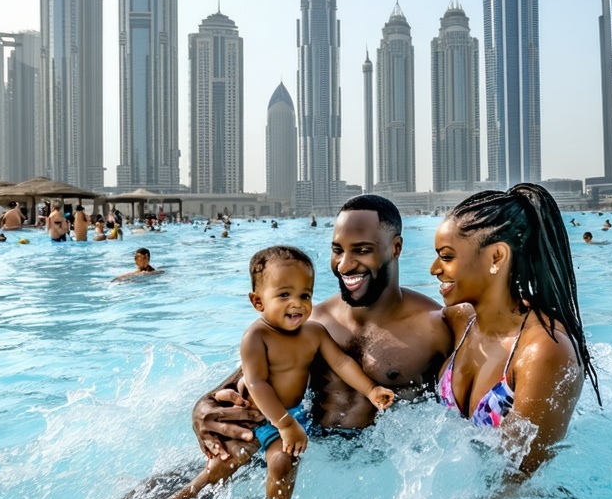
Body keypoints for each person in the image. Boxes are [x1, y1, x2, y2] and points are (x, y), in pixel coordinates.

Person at [179, 195, 450, 470]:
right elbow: (249, 377)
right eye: (337, 250)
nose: (344, 265)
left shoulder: (433, 328)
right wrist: (201, 408)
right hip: (299, 449)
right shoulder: (311, 320)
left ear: (396, 247)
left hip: (381, 470)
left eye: (362, 250)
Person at [161, 246, 395, 499]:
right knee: (218, 471)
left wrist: (371, 389)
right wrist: (284, 424)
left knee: (284, 463)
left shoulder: (314, 333)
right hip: (257, 417)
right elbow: (256, 382)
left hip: (292, 415)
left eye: (305, 295)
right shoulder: (256, 337)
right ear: (258, 302)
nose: (297, 303)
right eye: (284, 294)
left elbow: (341, 362)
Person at [431, 184, 600, 473]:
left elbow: (523, 478)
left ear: (497, 256)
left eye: (447, 256)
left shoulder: (543, 351)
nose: (434, 268)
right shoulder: (460, 321)